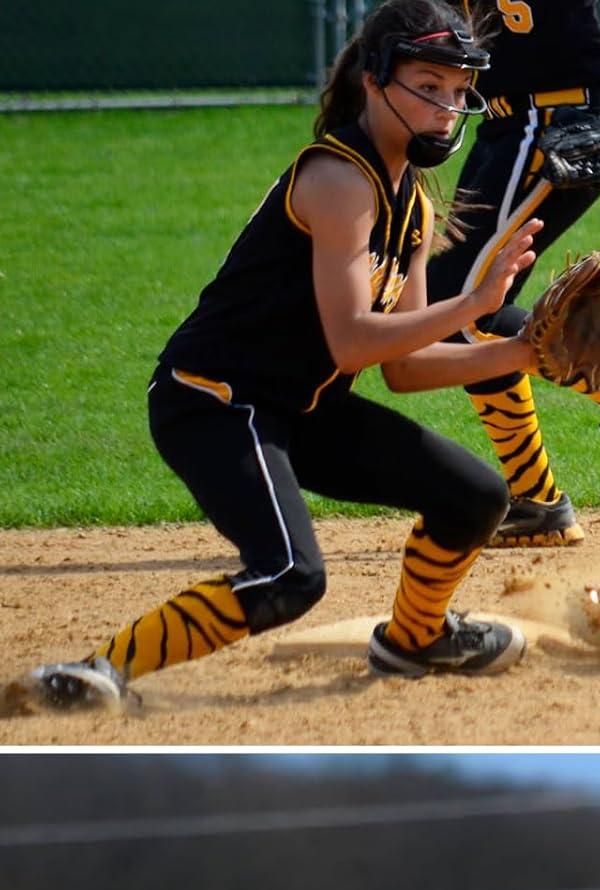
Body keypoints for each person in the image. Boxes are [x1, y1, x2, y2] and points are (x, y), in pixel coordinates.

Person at [25, 0, 550, 711]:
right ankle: (95, 671)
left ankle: (415, 638)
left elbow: (404, 367)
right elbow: (353, 341)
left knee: (477, 497)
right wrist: (472, 308)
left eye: (459, 92)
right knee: (289, 577)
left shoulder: (415, 203)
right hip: (214, 399)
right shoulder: (338, 181)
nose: (447, 108)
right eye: (429, 84)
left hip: (302, 409)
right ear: (375, 79)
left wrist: (525, 352)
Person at [432, 0, 600, 546]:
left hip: (558, 121)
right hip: (503, 127)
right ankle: (536, 499)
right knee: (456, 308)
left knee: (459, 310)